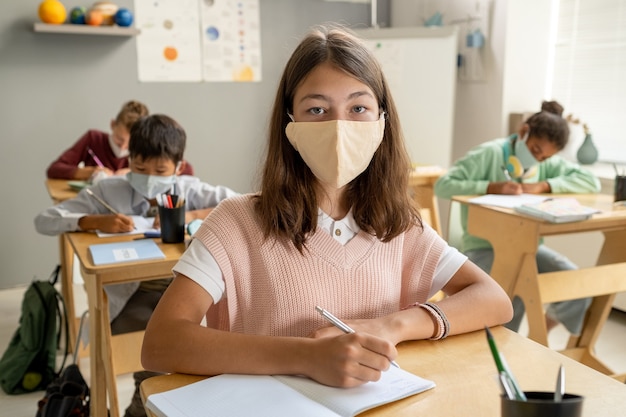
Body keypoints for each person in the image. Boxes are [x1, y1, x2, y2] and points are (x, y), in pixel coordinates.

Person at [141, 24, 513, 390]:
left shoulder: (398, 225)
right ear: (290, 124)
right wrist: (306, 357)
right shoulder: (235, 222)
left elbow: (494, 299)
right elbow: (161, 343)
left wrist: (391, 326)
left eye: (358, 108)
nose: (339, 126)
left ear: (382, 121)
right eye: (317, 110)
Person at [35, 114, 238, 417]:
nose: (149, 176)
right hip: (130, 296)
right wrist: (96, 220)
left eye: (160, 170)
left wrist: (193, 216)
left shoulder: (187, 188)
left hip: (180, 291)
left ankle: (143, 404)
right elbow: (46, 220)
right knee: (161, 348)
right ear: (129, 159)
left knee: (203, 347)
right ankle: (140, 405)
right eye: (140, 168)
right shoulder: (108, 190)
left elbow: (240, 202)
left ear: (178, 168)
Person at [434, 100, 601, 336]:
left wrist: (544, 185)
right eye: (535, 151)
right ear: (524, 132)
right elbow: (443, 186)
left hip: (528, 247)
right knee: (512, 293)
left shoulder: (545, 163)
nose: (538, 160)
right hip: (484, 248)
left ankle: (538, 335)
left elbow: (590, 181)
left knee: (575, 283)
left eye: (544, 158)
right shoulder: (489, 153)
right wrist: (491, 186)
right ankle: (501, 350)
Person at [46, 100, 194, 180]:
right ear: (112, 125)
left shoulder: (145, 147)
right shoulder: (93, 138)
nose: (123, 147)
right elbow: (54, 169)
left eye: (130, 144)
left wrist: (136, 172)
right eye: (119, 139)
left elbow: (184, 170)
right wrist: (89, 172)